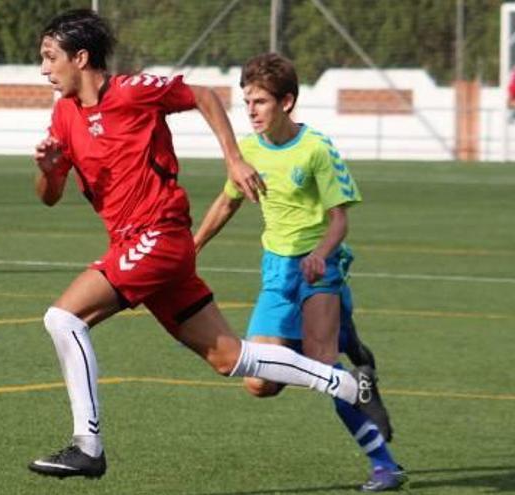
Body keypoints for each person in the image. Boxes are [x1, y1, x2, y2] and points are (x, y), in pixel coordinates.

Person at [27, 9, 391, 481]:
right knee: (230, 358)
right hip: (143, 247)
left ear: (80, 57)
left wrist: (234, 159)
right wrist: (51, 169)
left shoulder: (133, 92)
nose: (43, 69)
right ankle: (344, 383)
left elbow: (204, 95)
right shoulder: (63, 115)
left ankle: (87, 445)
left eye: (49, 57)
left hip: (158, 235)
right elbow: (49, 197)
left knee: (63, 317)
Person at [193, 53, 405, 492]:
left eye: (260, 102)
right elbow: (228, 201)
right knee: (258, 382)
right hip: (277, 274)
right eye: (246, 101)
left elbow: (340, 219)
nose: (250, 111)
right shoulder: (247, 151)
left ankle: (385, 465)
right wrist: (190, 248)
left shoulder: (317, 149)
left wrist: (321, 253)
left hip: (319, 270)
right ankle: (357, 361)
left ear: (286, 102)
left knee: (323, 370)